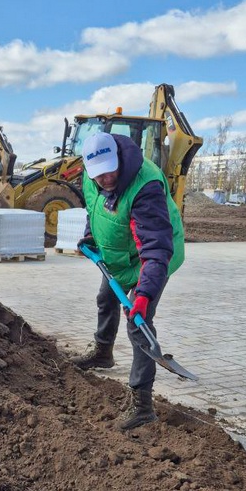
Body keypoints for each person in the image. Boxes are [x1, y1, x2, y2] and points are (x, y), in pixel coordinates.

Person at [72, 131, 184, 429]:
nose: (106, 179)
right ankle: (102, 352)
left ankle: (142, 403)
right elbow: (94, 207)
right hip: (122, 255)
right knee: (106, 298)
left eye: (111, 171)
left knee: (138, 323)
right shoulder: (91, 176)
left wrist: (144, 294)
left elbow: (156, 247)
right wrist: (89, 236)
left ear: (119, 158)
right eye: (99, 175)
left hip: (155, 254)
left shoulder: (145, 186)